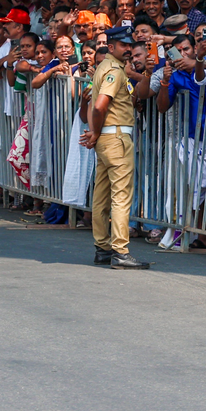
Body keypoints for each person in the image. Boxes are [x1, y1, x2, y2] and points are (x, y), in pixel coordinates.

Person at [81, 27, 149, 269]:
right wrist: (96, 131)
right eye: (123, 45)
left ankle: (102, 248)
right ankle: (120, 251)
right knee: (120, 197)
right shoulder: (114, 71)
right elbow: (99, 106)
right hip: (116, 138)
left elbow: (93, 104)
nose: (128, 49)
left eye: (130, 45)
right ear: (111, 47)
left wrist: (95, 133)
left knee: (101, 196)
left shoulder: (105, 67)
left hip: (106, 139)